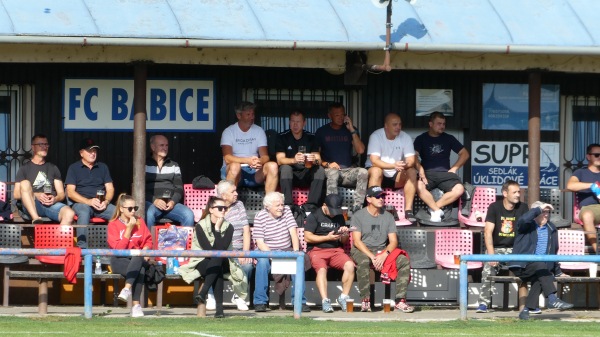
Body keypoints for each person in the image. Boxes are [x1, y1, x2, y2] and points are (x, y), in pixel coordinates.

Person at [351, 186, 414, 313]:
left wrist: (384, 254)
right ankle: (365, 300)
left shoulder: (388, 216)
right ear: (369, 199)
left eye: (383, 196)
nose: (381, 199)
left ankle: (400, 300)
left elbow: (393, 241)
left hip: (382, 250)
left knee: (403, 261)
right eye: (378, 196)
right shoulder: (358, 215)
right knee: (363, 262)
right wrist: (373, 257)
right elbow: (357, 242)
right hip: (362, 250)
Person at [366, 113, 438, 223]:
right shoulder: (376, 136)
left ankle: (408, 210)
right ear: (386, 126)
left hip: (397, 173)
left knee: (412, 171)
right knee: (376, 171)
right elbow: (374, 160)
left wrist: (403, 165)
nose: (398, 127)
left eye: (400, 124)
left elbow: (411, 160)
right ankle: (373, 209)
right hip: (378, 172)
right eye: (394, 125)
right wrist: (393, 165)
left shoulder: (405, 137)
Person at [509, 201, 573, 320]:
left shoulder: (551, 227)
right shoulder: (526, 226)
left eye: (548, 212)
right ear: (534, 213)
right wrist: (538, 209)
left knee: (541, 274)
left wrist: (558, 271)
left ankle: (526, 310)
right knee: (541, 267)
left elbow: (554, 251)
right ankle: (552, 299)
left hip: (540, 267)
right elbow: (523, 220)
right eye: (543, 212)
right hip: (521, 265)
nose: (546, 215)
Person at [475, 180, 529, 313]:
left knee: (527, 269)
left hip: (516, 250)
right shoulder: (494, 207)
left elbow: (527, 231)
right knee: (488, 267)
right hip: (498, 249)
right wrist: (491, 254)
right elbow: (488, 232)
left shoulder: (523, 207)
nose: (518, 195)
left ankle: (526, 305)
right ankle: (483, 303)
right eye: (514, 192)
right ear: (505, 193)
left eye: (519, 192)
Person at [252, 191, 310, 313]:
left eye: (282, 205)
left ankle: (300, 301)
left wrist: (295, 252)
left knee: (297, 262)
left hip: (285, 250)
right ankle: (260, 302)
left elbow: (293, 233)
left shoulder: (287, 211)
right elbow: (260, 243)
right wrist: (274, 257)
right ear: (267, 207)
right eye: (277, 205)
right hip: (267, 251)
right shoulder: (260, 216)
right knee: (262, 264)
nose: (281, 208)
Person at [178, 197, 233, 318]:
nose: (223, 210)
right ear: (211, 210)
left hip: (224, 261)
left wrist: (217, 229)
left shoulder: (229, 227)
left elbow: (222, 249)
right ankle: (219, 310)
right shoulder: (200, 226)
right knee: (216, 265)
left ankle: (203, 292)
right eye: (220, 208)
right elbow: (208, 250)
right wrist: (218, 232)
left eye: (225, 208)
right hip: (202, 260)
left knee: (217, 260)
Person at [413, 111, 470, 222]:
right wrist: (420, 170)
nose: (442, 126)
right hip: (427, 173)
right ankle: (436, 210)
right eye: (439, 123)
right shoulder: (421, 138)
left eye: (443, 124)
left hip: (445, 174)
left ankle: (434, 208)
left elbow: (465, 154)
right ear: (431, 124)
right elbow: (413, 157)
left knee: (459, 189)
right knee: (418, 186)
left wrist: (454, 169)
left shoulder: (449, 138)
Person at [304, 194, 355, 313]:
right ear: (324, 206)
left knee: (350, 265)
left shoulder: (340, 217)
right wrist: (327, 238)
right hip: (317, 250)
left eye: (335, 211)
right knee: (321, 270)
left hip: (336, 250)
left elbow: (343, 241)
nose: (333, 213)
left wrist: (344, 234)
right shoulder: (314, 215)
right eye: (331, 211)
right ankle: (325, 300)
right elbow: (307, 237)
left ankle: (343, 297)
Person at [315, 102, 367, 213]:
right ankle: (332, 207)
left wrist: (352, 129)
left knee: (363, 172)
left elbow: (361, 150)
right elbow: (316, 157)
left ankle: (357, 207)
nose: (340, 118)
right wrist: (328, 164)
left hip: (348, 171)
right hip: (331, 170)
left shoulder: (351, 130)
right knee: (333, 172)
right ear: (330, 116)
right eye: (337, 115)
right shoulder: (321, 132)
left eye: (342, 115)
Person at [107, 194, 153, 318]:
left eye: (135, 208)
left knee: (138, 257)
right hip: (119, 260)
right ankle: (136, 305)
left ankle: (126, 289)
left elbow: (148, 240)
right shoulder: (113, 225)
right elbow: (119, 249)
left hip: (138, 257)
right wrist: (129, 229)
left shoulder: (140, 221)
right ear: (121, 209)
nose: (133, 211)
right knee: (140, 269)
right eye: (130, 208)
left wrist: (146, 250)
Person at [65, 138, 116, 248]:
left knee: (118, 212)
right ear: (81, 153)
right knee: (84, 211)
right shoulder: (74, 168)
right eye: (89, 151)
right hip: (81, 203)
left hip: (101, 203)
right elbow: (70, 192)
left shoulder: (103, 167)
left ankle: (116, 244)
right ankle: (82, 246)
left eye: (94, 151)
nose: (93, 153)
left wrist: (106, 202)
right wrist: (88, 201)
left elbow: (110, 188)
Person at [13, 134, 74, 225]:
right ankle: (36, 219)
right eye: (41, 144)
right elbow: (16, 194)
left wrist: (54, 199)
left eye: (46, 144)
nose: (44, 147)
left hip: (51, 205)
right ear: (33, 147)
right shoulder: (24, 169)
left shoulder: (53, 168)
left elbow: (61, 194)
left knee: (69, 213)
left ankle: (58, 239)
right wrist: (37, 195)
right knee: (25, 183)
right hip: (32, 205)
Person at [220, 101, 278, 192]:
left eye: (253, 114)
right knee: (235, 166)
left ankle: (270, 203)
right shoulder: (229, 131)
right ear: (239, 116)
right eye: (248, 114)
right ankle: (228, 203)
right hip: (233, 171)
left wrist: (259, 161)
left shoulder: (259, 131)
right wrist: (248, 160)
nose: (252, 117)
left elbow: (265, 157)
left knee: (273, 166)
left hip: (253, 172)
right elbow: (227, 158)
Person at [212, 179, 251, 311]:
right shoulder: (214, 207)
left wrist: (245, 252)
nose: (236, 194)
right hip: (220, 251)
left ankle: (239, 296)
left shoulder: (239, 205)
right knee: (213, 262)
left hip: (238, 250)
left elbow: (246, 230)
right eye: (233, 191)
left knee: (248, 265)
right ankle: (211, 296)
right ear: (223, 196)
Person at [275, 109, 325, 210]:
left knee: (320, 170)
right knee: (285, 168)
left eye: (298, 122)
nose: (295, 124)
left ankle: (311, 206)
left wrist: (314, 159)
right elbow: (280, 160)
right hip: (290, 175)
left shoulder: (311, 137)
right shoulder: (282, 137)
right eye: (293, 121)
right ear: (289, 123)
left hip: (306, 173)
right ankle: (288, 206)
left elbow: (318, 159)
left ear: (304, 123)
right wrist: (294, 160)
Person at [145, 135, 195, 231]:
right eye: (161, 145)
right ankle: (149, 244)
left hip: (170, 204)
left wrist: (173, 201)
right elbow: (139, 189)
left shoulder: (174, 165)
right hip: (151, 203)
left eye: (166, 145)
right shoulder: (144, 164)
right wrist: (154, 200)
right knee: (149, 213)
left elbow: (179, 188)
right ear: (153, 147)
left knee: (188, 214)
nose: (165, 148)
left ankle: (183, 245)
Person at [566, 143, 600, 253]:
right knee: (587, 215)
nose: (599, 157)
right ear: (588, 156)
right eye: (596, 155)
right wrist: (591, 185)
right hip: (588, 208)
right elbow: (571, 185)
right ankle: (598, 251)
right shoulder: (580, 172)